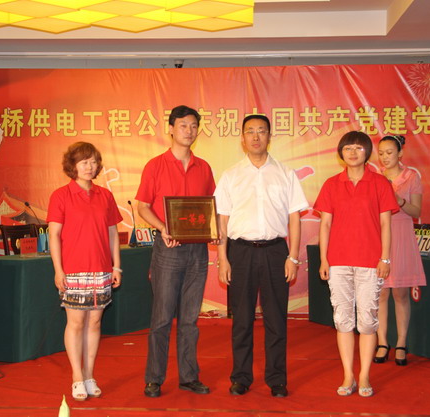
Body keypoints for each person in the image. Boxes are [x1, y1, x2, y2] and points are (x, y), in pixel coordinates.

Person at [215, 114, 308, 398]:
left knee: (276, 319)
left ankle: (277, 379)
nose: (256, 137)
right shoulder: (231, 175)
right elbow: (222, 220)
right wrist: (223, 259)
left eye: (261, 131)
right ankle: (241, 377)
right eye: (250, 131)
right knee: (241, 320)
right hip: (240, 252)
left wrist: (293, 257)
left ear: (269, 136)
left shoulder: (285, 174)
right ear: (242, 138)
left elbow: (295, 218)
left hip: (276, 252)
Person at [136, 105, 216, 398]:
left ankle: (189, 376)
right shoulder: (155, 166)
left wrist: (214, 231)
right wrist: (162, 228)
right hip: (168, 250)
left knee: (190, 319)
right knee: (161, 318)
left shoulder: (204, 167)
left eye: (194, 126)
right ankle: (154, 378)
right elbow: (143, 206)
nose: (189, 131)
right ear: (170, 129)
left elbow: (210, 207)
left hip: (198, 251)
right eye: (183, 125)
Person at [314, 131, 398, 397]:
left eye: (358, 148)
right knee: (342, 320)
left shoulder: (380, 183)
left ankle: (364, 376)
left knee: (367, 322)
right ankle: (348, 375)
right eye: (347, 148)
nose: (352, 153)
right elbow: (325, 225)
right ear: (341, 153)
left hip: (370, 263)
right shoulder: (331, 184)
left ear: (367, 152)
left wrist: (385, 258)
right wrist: (324, 259)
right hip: (338, 263)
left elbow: (386, 224)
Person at [47, 142, 123, 401]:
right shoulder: (61, 195)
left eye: (93, 162)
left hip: (101, 269)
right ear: (73, 166)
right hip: (73, 270)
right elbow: (54, 235)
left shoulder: (105, 196)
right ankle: (77, 377)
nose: (89, 167)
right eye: (83, 162)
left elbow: (113, 233)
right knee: (76, 323)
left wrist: (116, 266)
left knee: (95, 322)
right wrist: (58, 270)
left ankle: (90, 375)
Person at [374, 135, 426, 366]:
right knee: (380, 293)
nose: (385, 157)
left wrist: (398, 200)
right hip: (378, 236)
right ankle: (382, 342)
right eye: (381, 153)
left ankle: (402, 343)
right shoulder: (375, 177)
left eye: (389, 153)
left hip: (402, 235)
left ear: (400, 153)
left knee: (400, 293)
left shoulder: (411, 177)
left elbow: (416, 212)